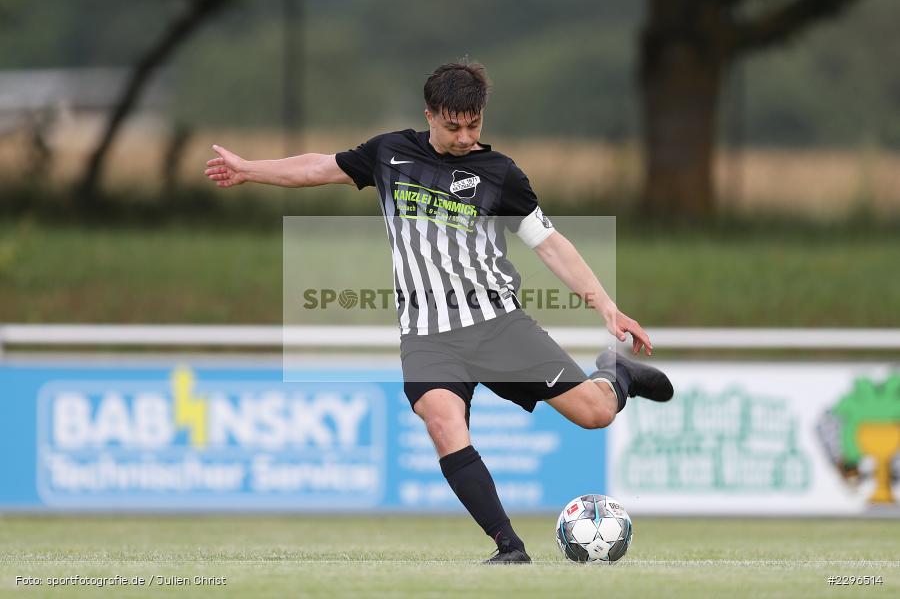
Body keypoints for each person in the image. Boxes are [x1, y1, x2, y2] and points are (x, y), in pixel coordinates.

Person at [205, 62, 673, 564]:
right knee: (443, 421)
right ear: (429, 114)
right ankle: (510, 547)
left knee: (595, 414)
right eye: (453, 126)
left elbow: (551, 245)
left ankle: (615, 373)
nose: (465, 136)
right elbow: (319, 167)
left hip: (498, 325)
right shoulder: (389, 153)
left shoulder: (501, 175)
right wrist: (250, 169)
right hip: (427, 335)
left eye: (474, 125)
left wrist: (608, 306)